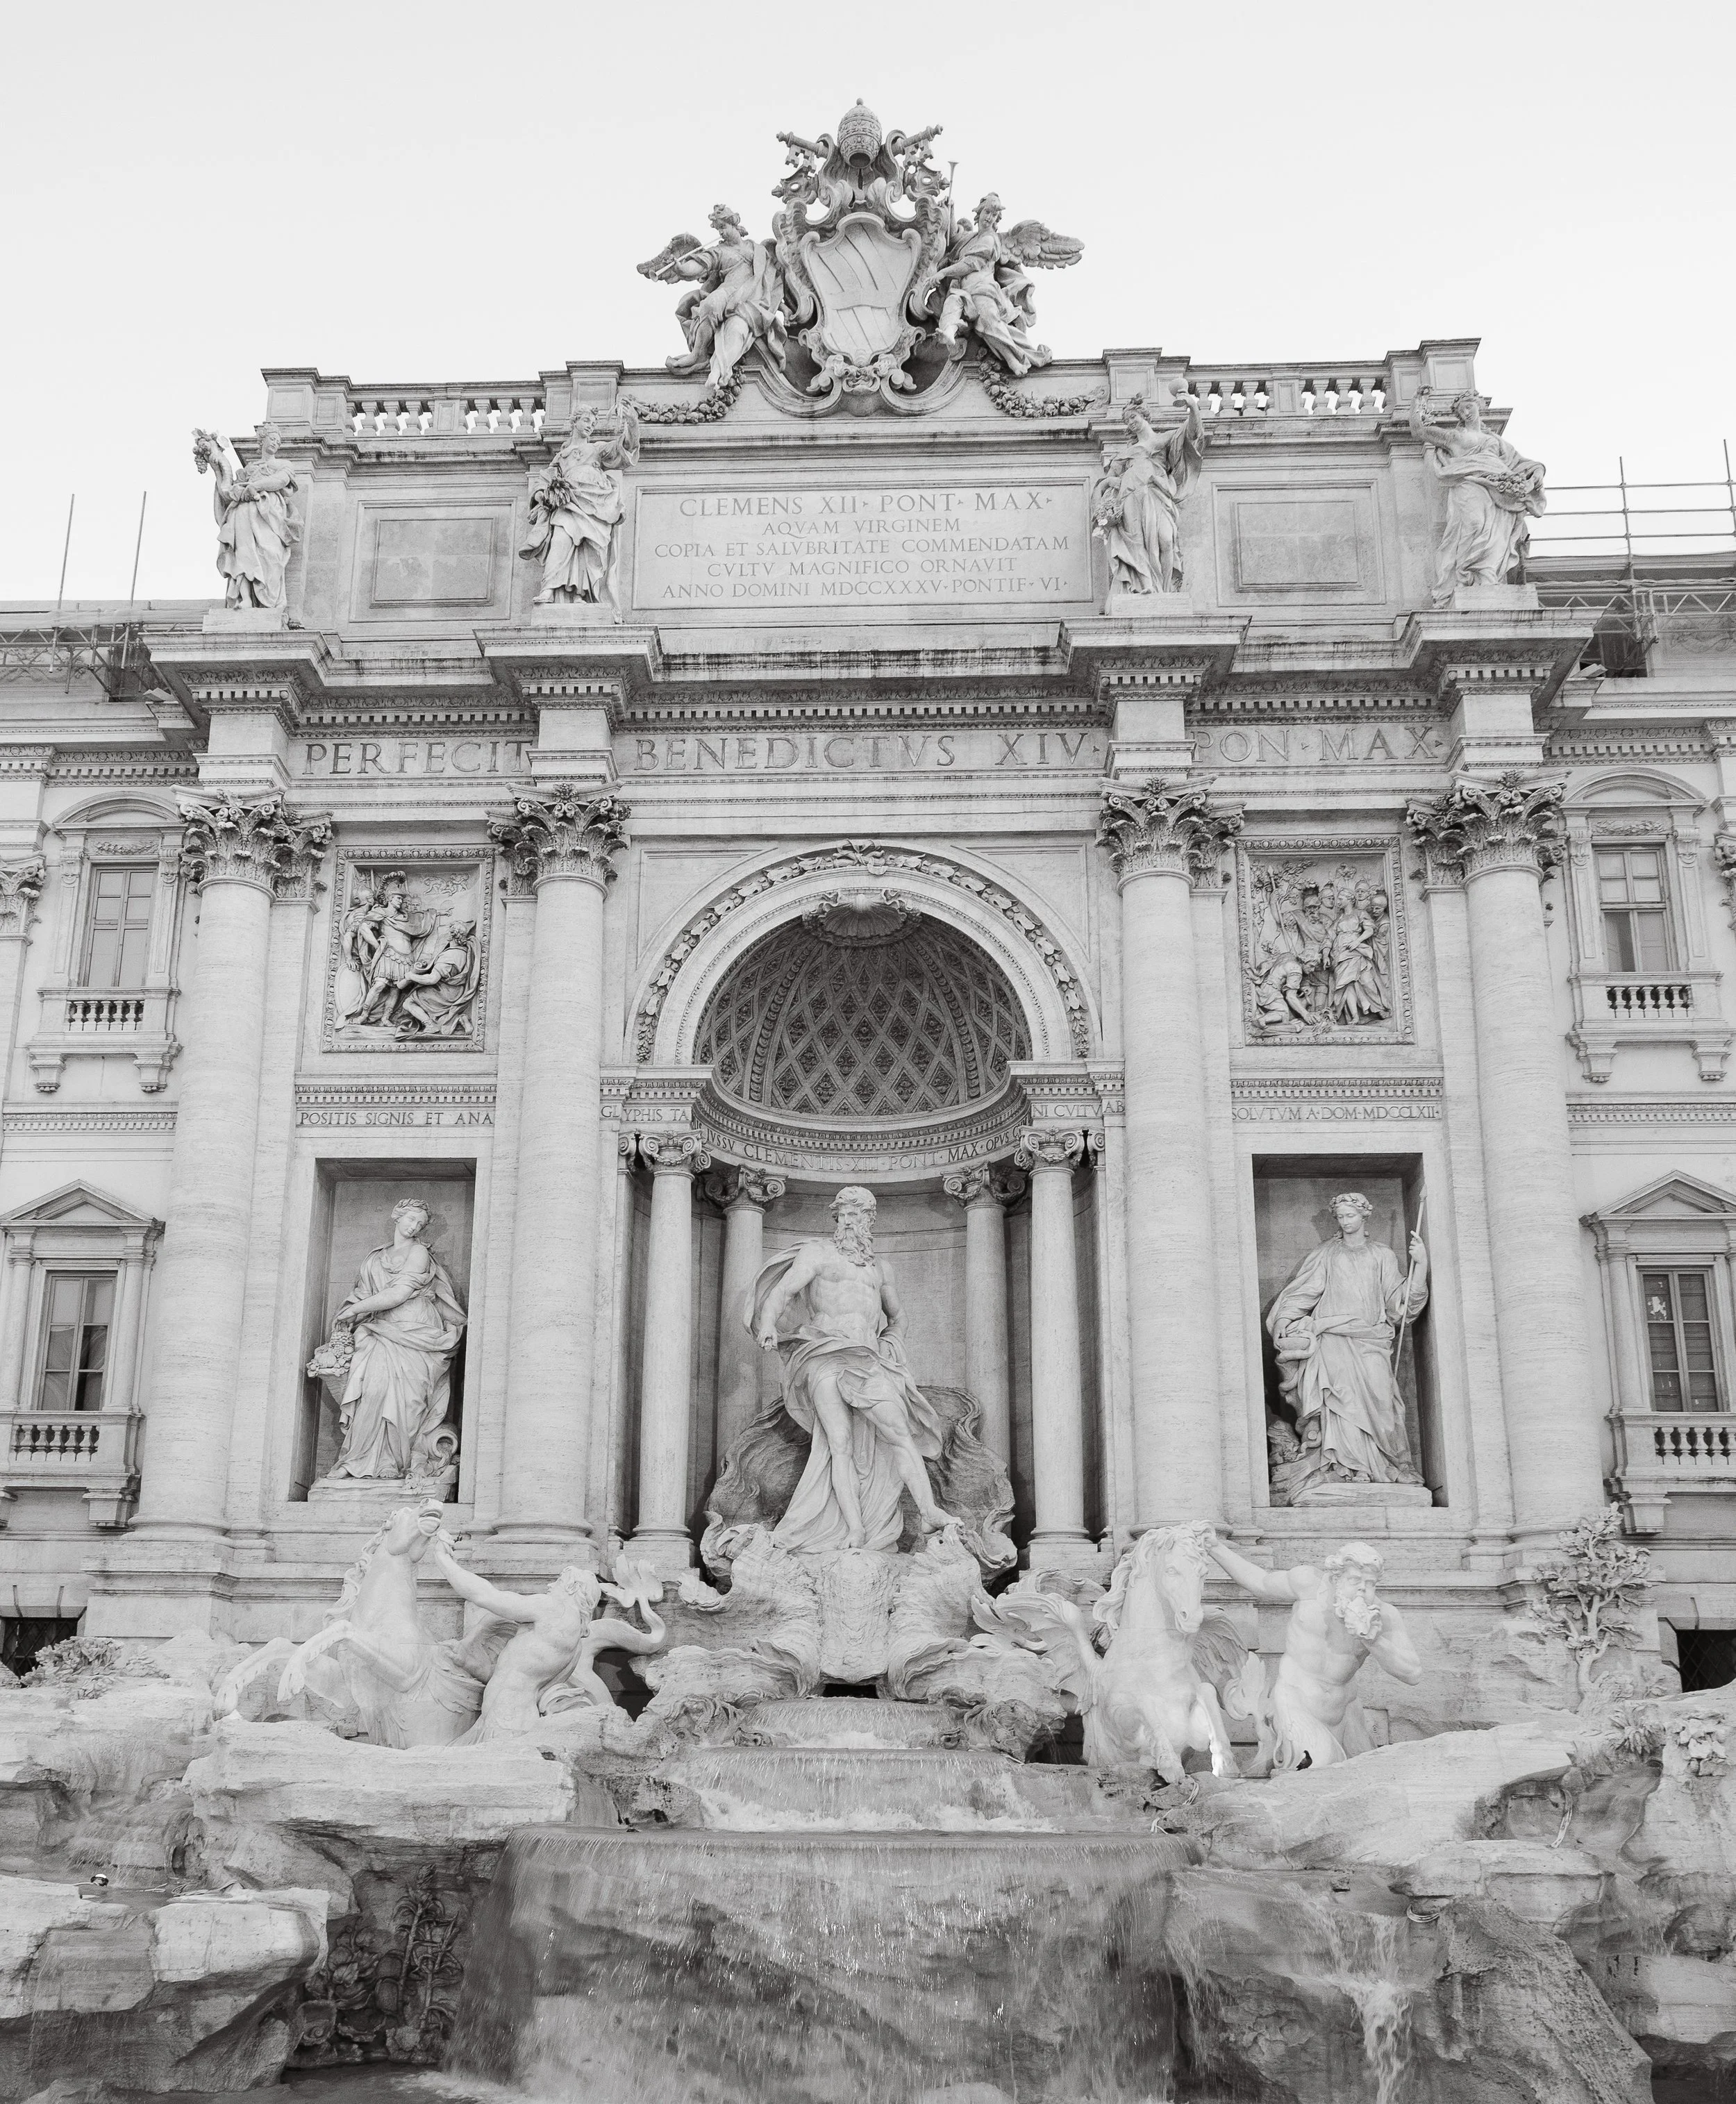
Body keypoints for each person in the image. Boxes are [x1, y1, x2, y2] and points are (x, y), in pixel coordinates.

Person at [749, 1186, 955, 1552]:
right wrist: (767, 1324)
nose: (848, 1221)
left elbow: (898, 1316)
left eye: (856, 1215)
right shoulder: (818, 1254)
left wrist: (892, 1342)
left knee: (900, 1432)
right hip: (824, 1353)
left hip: (868, 1359)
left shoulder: (880, 1269)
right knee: (838, 1443)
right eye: (842, 1214)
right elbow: (782, 1292)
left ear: (869, 1220)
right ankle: (855, 1529)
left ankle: (929, 1512)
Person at [1204, 1535, 1422, 1770]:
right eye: (1355, 1580)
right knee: (1321, 1767)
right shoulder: (1308, 1584)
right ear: (1336, 1577)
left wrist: (1373, 1640)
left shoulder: (1383, 1616)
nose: (1362, 1589)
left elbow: (1413, 1673)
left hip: (1345, 1713)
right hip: (1295, 1700)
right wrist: (1215, 1548)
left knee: (1363, 1774)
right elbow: (1259, 1582)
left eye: (1370, 1583)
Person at [1267, 1192, 1427, 1491]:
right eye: (1340, 1217)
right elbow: (1304, 1293)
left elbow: (1399, 1306)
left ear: (1365, 1216)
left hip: (1371, 1339)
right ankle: (1344, 1466)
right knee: (1340, 1403)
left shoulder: (1382, 1255)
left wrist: (1421, 1267)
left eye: (1350, 1216)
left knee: (1382, 1400)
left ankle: (1388, 1464)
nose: (1345, 1221)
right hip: (1333, 1338)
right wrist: (1283, 1321)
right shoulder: (1326, 1253)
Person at [428, 1550, 663, 1742]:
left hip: (506, 1721)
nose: (551, 1586)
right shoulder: (574, 1645)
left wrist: (443, 1561)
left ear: (571, 1588)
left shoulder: (552, 1609)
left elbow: (485, 1596)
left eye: (558, 1582)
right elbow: (509, 1674)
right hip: (508, 1719)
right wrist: (466, 1661)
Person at [324, 1200, 466, 1482]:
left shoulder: (418, 1254)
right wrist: (350, 1314)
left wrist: (355, 1311)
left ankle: (396, 1463)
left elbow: (399, 1293)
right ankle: (357, 1459)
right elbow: (364, 1294)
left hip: (417, 1330)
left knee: (409, 1401)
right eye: (411, 1219)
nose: (414, 1227)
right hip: (381, 1329)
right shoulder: (375, 1258)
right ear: (396, 1217)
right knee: (373, 1392)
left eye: (421, 1224)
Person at [1409, 390, 1546, 605]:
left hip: (1498, 487)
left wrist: (1538, 471)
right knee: (1474, 523)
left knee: (1496, 534)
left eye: (1469, 407)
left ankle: (1488, 577)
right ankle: (1467, 574)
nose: (1467, 412)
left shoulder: (1496, 441)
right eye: (1462, 410)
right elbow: (1419, 431)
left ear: (1478, 406)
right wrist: (1418, 402)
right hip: (1469, 482)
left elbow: (1522, 463)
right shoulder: (1454, 437)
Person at [1094, 387, 1205, 595]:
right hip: (1131, 499)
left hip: (1157, 495)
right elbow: (1107, 481)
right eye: (1127, 421)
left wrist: (1192, 406)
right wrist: (1109, 483)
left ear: (1144, 415)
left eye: (1133, 417)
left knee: (1166, 538)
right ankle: (1147, 587)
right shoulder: (1125, 453)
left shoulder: (1164, 440)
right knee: (1141, 546)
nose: (1131, 423)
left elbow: (1194, 434)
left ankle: (1164, 591)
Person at [193, 423, 300, 610]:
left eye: (278, 440)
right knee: (242, 554)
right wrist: (217, 466)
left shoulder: (284, 465)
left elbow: (281, 481)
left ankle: (269, 601)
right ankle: (246, 599)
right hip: (242, 514)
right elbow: (227, 491)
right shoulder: (249, 469)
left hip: (269, 515)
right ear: (262, 441)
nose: (275, 443)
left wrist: (255, 486)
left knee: (271, 555)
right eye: (271, 439)